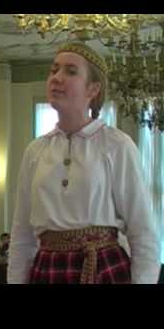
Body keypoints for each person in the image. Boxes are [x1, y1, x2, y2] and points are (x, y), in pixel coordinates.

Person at [8, 41, 161, 284]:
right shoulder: (35, 151)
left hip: (104, 268)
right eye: (54, 70)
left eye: (70, 71)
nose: (57, 78)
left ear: (93, 89)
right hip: (47, 270)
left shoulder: (116, 145)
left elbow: (143, 233)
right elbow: (22, 237)